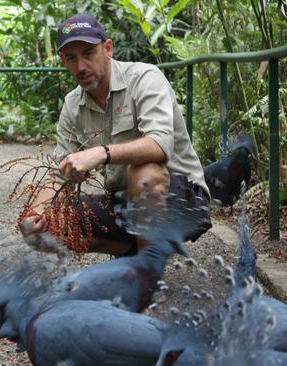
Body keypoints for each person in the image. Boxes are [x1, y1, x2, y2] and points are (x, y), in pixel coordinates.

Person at [19, 14, 211, 256]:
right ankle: (136, 252)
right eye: (71, 58)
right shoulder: (72, 104)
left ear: (107, 48)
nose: (80, 67)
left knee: (143, 171)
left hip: (183, 200)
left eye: (88, 53)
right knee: (50, 223)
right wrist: (34, 214)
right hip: (127, 203)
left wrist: (101, 153)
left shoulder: (144, 78)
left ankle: (145, 277)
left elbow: (160, 143)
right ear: (63, 60)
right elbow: (58, 174)